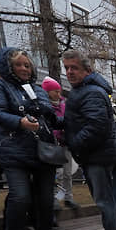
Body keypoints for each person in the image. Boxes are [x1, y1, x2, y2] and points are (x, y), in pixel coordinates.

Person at [0, 47, 59, 230]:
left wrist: (31, 110)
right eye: (19, 64)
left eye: (27, 65)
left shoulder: (35, 88)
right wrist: (20, 120)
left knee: (46, 199)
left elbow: (47, 111)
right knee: (20, 197)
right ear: (9, 66)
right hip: (14, 150)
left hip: (41, 151)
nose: (24, 69)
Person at [62, 50, 116, 230]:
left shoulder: (91, 92)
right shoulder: (87, 91)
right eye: (67, 68)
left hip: (97, 154)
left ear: (87, 70)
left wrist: (74, 142)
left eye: (74, 68)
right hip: (98, 153)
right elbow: (81, 121)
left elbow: (95, 126)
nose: (69, 72)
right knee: (107, 195)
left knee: (102, 197)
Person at [41, 76, 78, 211]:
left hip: (65, 143)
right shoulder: (45, 106)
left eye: (59, 91)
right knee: (56, 173)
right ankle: (55, 198)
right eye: (55, 91)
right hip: (53, 144)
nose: (58, 93)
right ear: (48, 92)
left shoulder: (64, 105)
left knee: (67, 173)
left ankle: (68, 197)